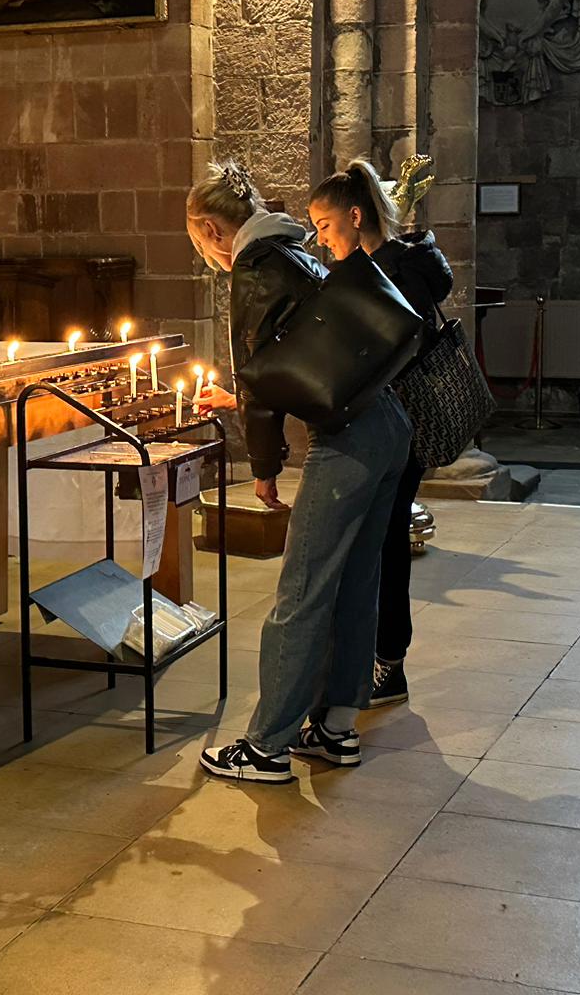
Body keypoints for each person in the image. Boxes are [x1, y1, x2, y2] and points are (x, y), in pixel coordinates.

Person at [187, 161, 412, 783]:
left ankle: (266, 747)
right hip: (388, 424)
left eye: (200, 242)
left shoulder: (256, 270)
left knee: (302, 589)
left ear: (210, 228)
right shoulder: (295, 247)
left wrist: (263, 468)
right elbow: (305, 361)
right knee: (353, 582)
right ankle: (334, 728)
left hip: (350, 440)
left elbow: (260, 382)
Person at [309, 159, 453, 708]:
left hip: (402, 424)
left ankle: (388, 663)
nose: (322, 241)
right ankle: (379, 656)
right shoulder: (388, 264)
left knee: (387, 541)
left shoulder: (392, 271)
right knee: (380, 539)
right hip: (393, 423)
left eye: (325, 226)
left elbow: (390, 353)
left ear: (353, 215)